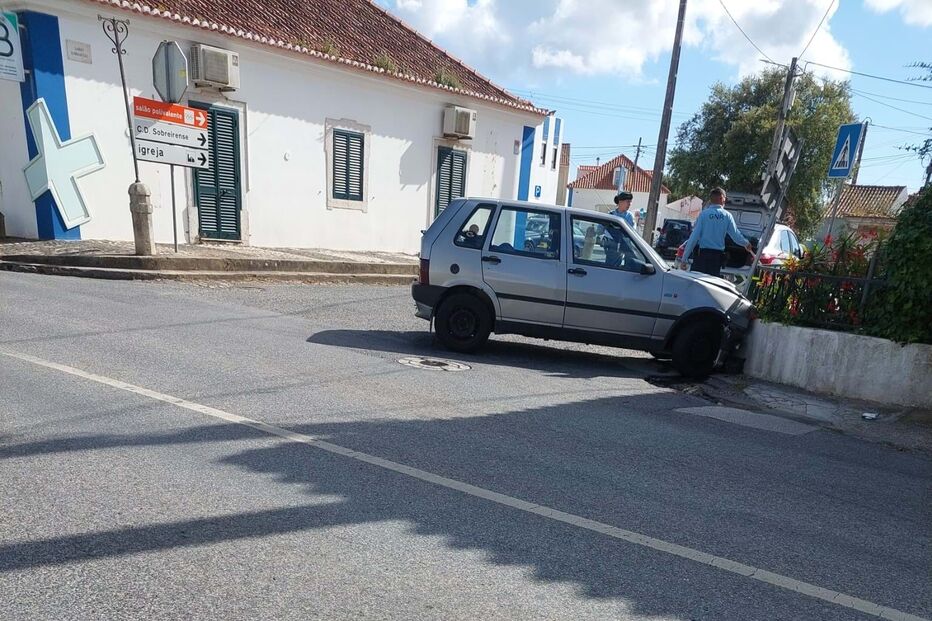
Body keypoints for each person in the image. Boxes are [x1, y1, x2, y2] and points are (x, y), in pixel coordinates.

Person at [679, 187, 753, 277]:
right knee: (711, 285)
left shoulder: (704, 215)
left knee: (698, 284)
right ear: (721, 198)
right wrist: (746, 243)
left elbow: (694, 237)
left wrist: (684, 258)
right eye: (725, 198)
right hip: (716, 258)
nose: (725, 201)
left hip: (702, 256)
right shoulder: (727, 216)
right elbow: (735, 235)